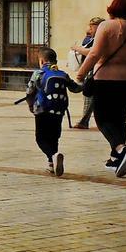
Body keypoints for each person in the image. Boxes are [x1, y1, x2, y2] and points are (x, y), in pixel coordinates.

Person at [75, 0, 126, 178]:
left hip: (107, 79)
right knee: (120, 119)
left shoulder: (106, 26)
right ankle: (115, 158)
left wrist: (81, 73)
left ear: (112, 8)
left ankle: (121, 148)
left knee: (103, 118)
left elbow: (95, 53)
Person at [25, 48, 83, 176]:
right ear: (55, 60)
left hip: (42, 110)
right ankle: (52, 164)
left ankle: (53, 156)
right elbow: (76, 88)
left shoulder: (38, 73)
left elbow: (29, 91)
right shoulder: (63, 74)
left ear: (41, 60)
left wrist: (30, 106)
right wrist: (85, 81)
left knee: (40, 138)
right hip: (58, 110)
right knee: (54, 137)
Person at [69, 16, 103, 129]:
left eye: (92, 27)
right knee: (91, 97)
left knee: (90, 95)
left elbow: (91, 53)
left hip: (96, 72)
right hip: (92, 72)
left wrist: (77, 48)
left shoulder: (101, 39)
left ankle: (85, 121)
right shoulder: (93, 39)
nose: (90, 30)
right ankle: (86, 121)